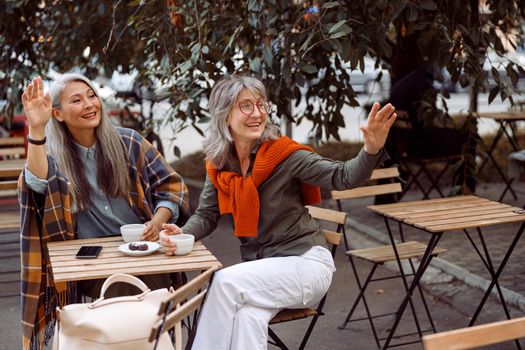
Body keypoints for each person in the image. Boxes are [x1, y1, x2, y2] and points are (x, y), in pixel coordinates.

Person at [159, 74, 397, 349]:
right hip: (265, 273)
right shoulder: (221, 164)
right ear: (225, 115)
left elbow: (343, 176)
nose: (257, 113)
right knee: (248, 317)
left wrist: (371, 149)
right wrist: (182, 234)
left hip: (306, 265)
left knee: (223, 282)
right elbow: (207, 215)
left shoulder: (286, 156)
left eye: (261, 104)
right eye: (246, 106)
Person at [18, 74, 190, 349]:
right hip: (90, 266)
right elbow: (36, 186)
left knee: (150, 289)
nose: (89, 103)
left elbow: (171, 186)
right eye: (77, 100)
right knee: (127, 290)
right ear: (58, 115)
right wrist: (37, 131)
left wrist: (159, 219)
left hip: (145, 253)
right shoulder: (50, 156)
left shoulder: (129, 142)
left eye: (91, 95)